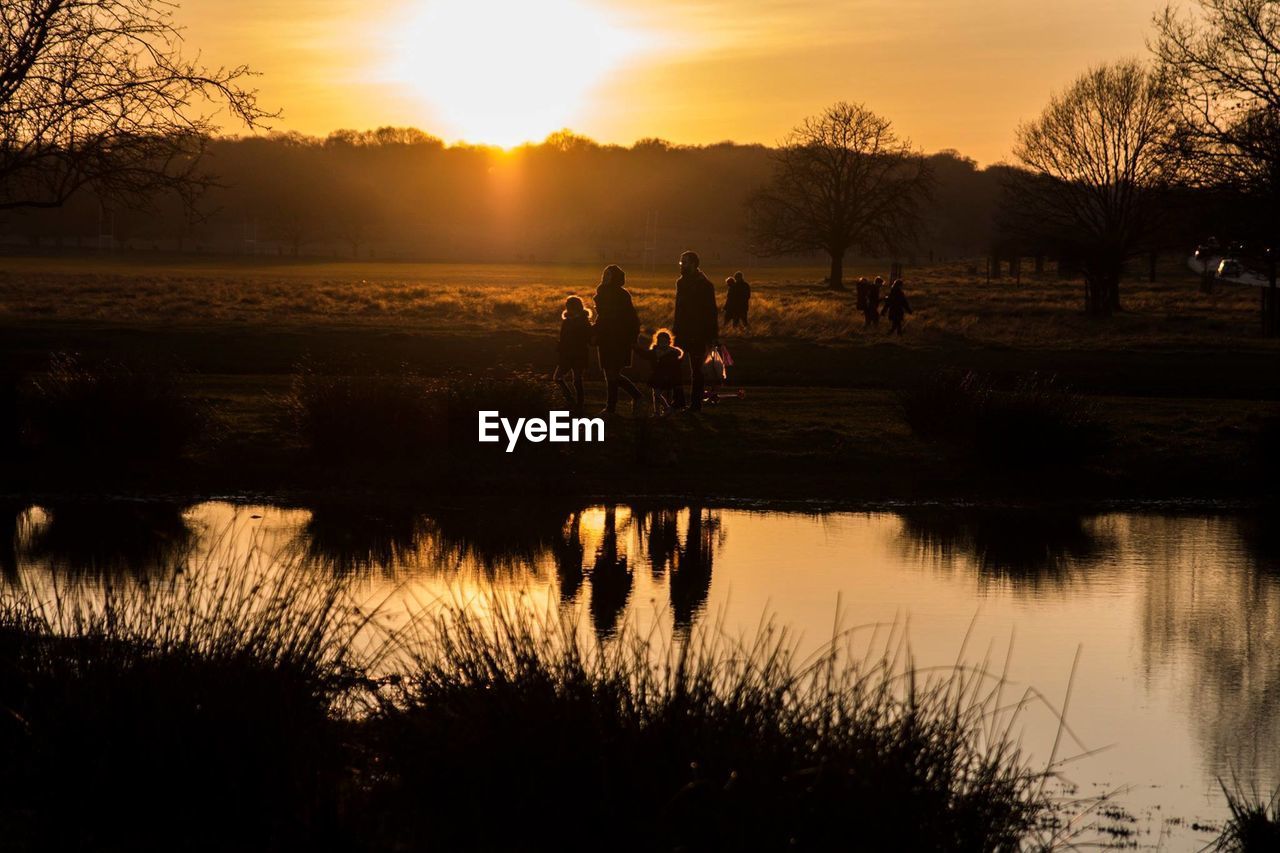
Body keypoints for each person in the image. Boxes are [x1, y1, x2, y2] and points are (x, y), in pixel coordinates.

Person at [591, 264, 643, 414]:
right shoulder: (601, 292)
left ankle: (622, 402)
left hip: (619, 338)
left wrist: (632, 337)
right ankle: (613, 406)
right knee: (609, 374)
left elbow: (630, 318)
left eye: (608, 275)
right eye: (604, 274)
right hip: (606, 337)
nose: (605, 277)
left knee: (613, 373)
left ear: (615, 278)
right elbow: (602, 318)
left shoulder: (622, 295)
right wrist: (595, 331)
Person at [671, 250, 718, 411]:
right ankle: (679, 400)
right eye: (681, 262)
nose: (681, 265)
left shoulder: (704, 285)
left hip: (697, 332)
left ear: (693, 264)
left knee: (696, 369)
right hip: (682, 331)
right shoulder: (682, 283)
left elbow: (711, 312)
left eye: (684, 262)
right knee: (675, 365)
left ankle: (695, 403)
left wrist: (712, 336)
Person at [553, 295, 591, 410]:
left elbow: (564, 338)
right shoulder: (583, 321)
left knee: (560, 378)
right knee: (575, 379)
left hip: (572, 354)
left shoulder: (571, 322)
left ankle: (572, 401)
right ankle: (576, 402)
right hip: (576, 353)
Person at [643, 329, 683, 415]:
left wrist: (671, 351)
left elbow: (679, 354)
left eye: (664, 341)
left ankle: (666, 408)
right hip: (657, 374)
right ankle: (658, 411)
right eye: (660, 340)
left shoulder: (672, 351)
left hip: (668, 375)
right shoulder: (655, 350)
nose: (662, 342)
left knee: (665, 392)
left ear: (668, 341)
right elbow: (652, 355)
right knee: (656, 393)